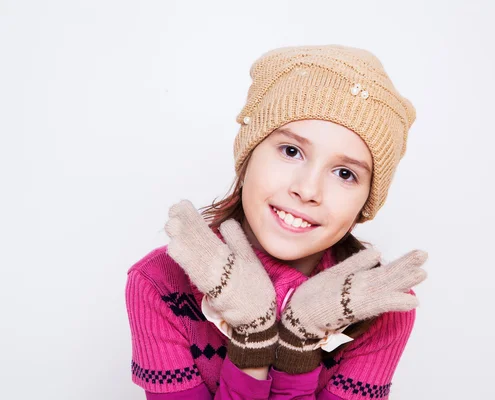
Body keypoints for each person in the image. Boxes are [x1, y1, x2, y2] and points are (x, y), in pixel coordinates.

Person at [125, 44, 429, 400]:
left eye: (345, 173)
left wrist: (298, 349)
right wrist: (252, 345)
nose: (307, 189)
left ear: (365, 202)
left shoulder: (380, 305)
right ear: (248, 156)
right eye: (291, 151)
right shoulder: (161, 282)